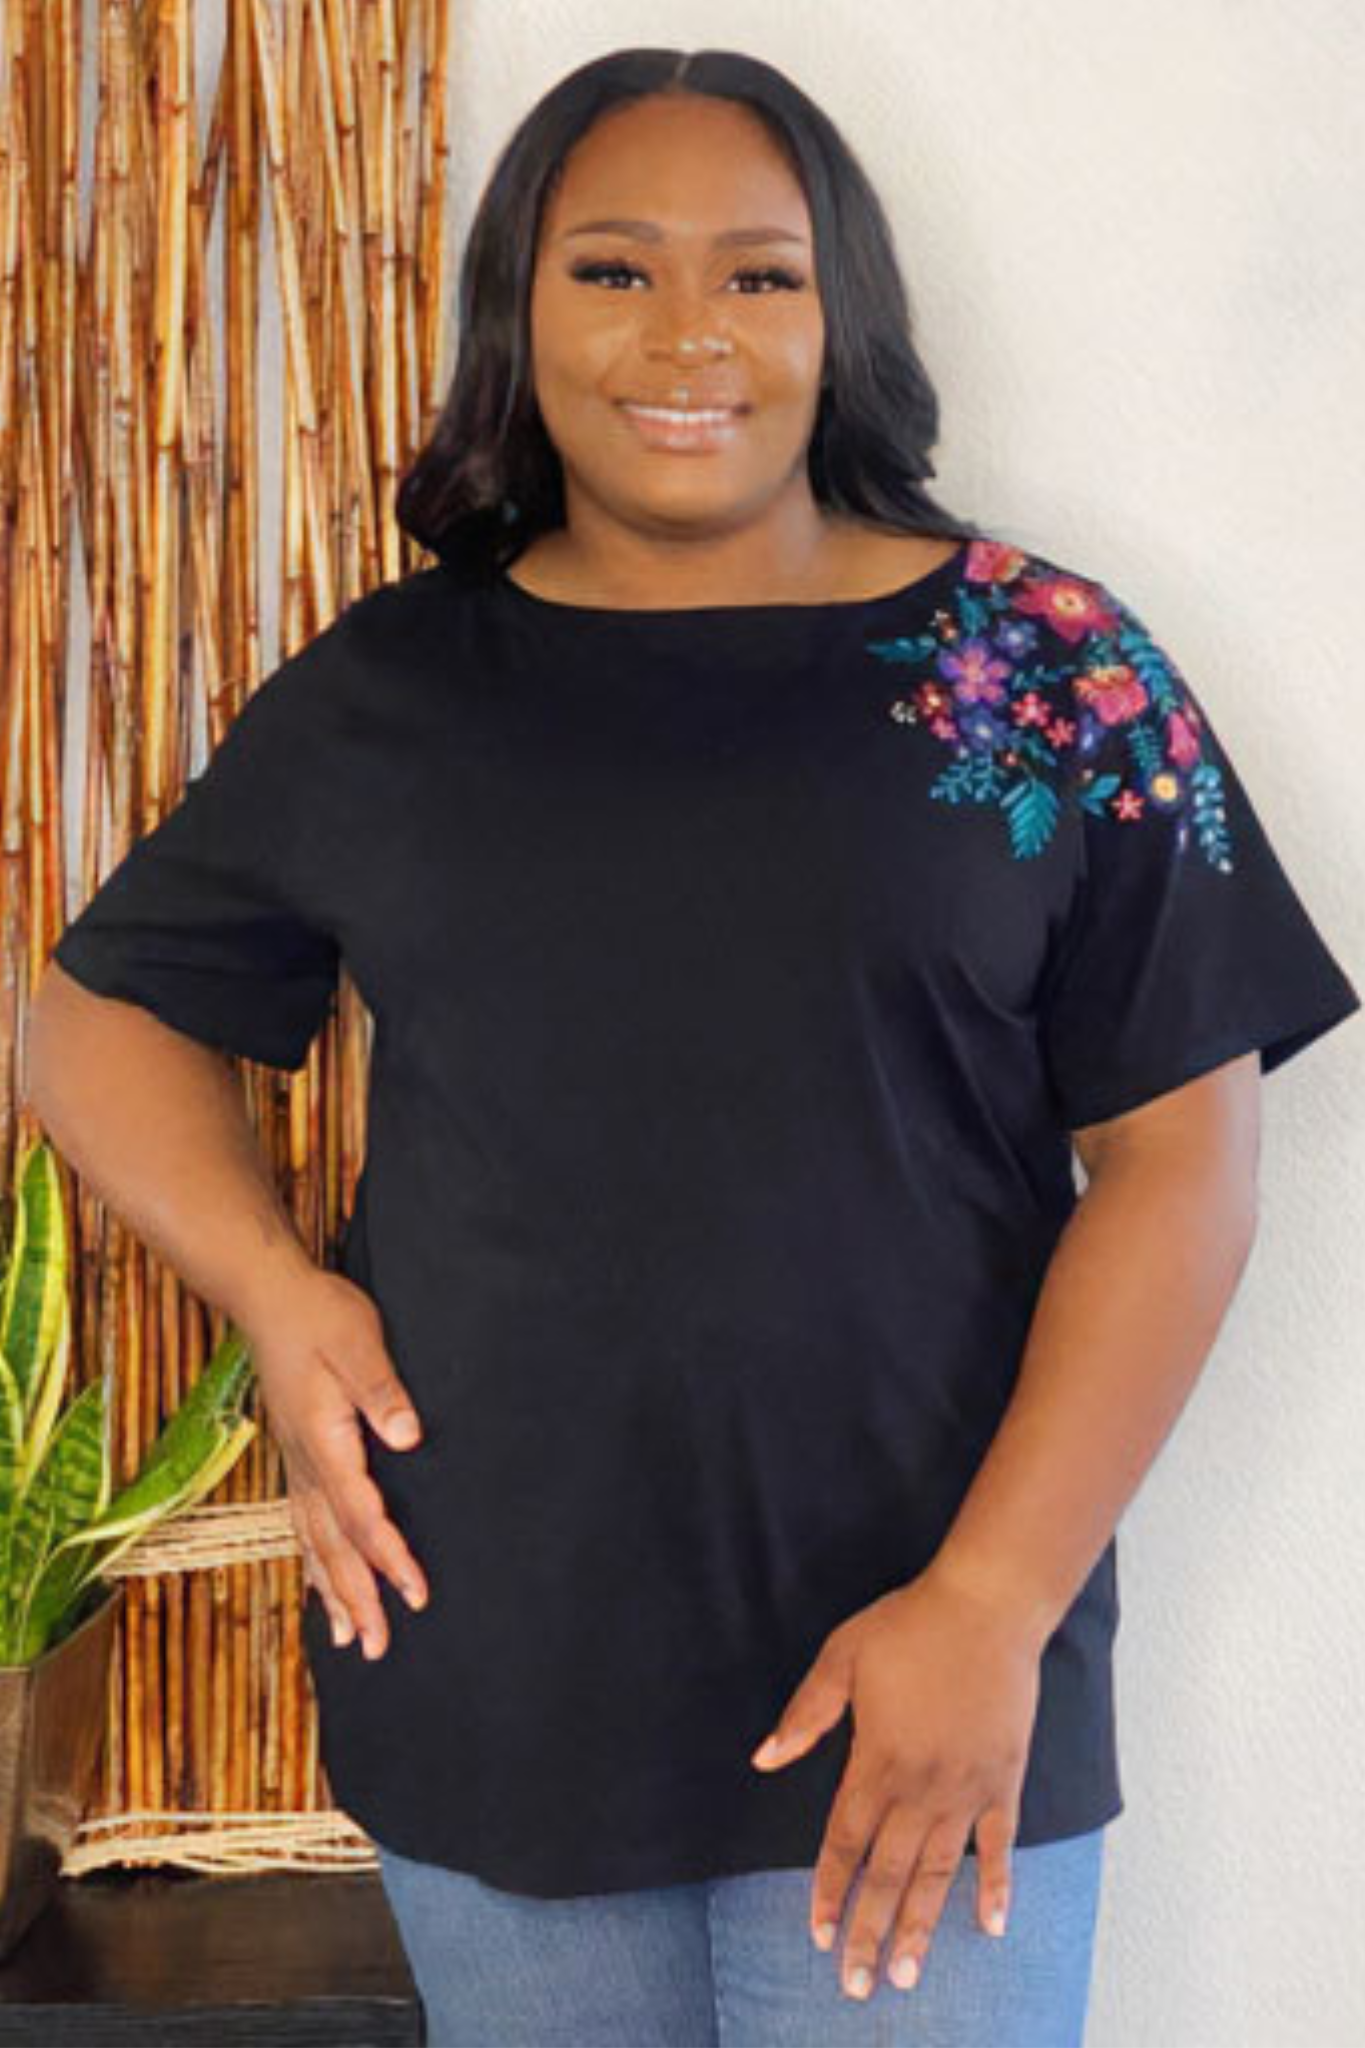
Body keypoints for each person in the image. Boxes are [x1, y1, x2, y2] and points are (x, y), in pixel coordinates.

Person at [26, 44, 1360, 2048]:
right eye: (611, 269)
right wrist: (279, 1298)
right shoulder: (395, 690)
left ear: (842, 315)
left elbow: (1183, 1161)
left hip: (927, 1665)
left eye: (758, 274)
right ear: (519, 309)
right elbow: (95, 1012)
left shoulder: (1044, 662)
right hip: (495, 1663)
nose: (686, 334)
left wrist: (993, 1603)